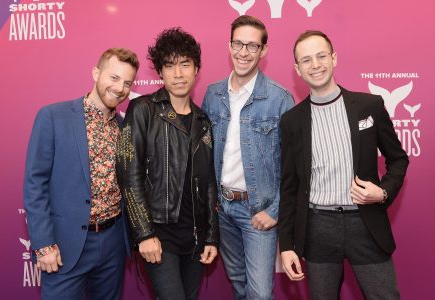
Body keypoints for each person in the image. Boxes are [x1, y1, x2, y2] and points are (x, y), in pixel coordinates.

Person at [279, 30, 409, 299]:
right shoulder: (292, 121)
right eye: (306, 60)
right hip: (317, 228)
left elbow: (398, 159)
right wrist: (287, 245)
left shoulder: (368, 106)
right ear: (297, 69)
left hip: (365, 224)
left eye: (321, 56)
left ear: (334, 58)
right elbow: (290, 188)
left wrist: (382, 192)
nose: (315, 65)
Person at [23, 48, 139, 299]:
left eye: (127, 83)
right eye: (114, 78)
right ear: (96, 73)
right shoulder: (53, 117)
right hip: (66, 245)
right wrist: (43, 244)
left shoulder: (124, 126)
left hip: (113, 244)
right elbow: (35, 184)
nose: (120, 88)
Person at [116, 28, 219, 300]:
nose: (178, 73)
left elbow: (209, 182)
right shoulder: (143, 110)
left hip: (195, 238)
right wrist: (144, 234)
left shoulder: (203, 121)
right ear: (160, 72)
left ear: (196, 69)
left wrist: (210, 236)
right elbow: (129, 175)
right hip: (159, 236)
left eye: (185, 64)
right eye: (170, 66)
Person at [202, 15, 294, 300]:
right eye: (238, 44)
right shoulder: (212, 94)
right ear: (229, 46)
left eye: (252, 46)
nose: (243, 52)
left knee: (260, 294)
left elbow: (294, 166)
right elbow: (205, 155)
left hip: (258, 212)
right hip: (223, 209)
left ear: (263, 51)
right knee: (238, 283)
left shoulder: (280, 99)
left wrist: (275, 211)